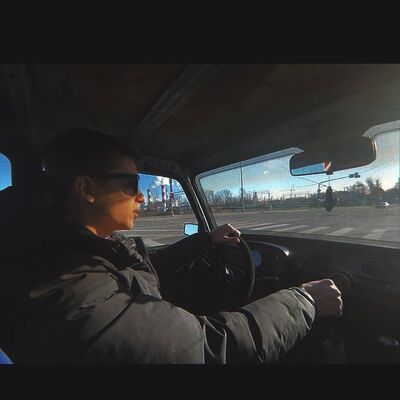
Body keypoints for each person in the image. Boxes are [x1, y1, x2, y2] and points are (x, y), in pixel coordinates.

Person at [8, 129, 342, 363]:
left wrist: (206, 240)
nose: (141, 196)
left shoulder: (74, 254)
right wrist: (304, 300)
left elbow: (141, 272)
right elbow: (211, 348)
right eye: (131, 184)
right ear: (87, 189)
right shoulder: (75, 294)